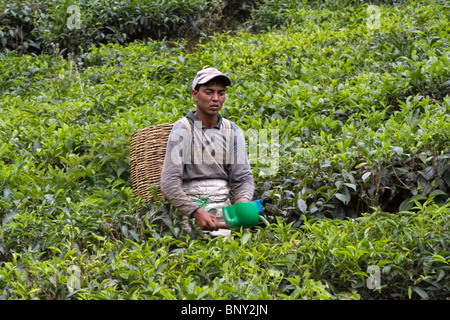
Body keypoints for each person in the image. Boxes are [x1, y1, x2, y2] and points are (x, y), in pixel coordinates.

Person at [160, 68, 254, 236]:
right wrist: (196, 212)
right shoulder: (182, 129)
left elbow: (243, 178)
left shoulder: (232, 130)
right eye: (209, 92)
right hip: (190, 210)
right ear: (195, 94)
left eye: (221, 93)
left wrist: (241, 205)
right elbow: (169, 182)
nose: (216, 99)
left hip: (223, 212)